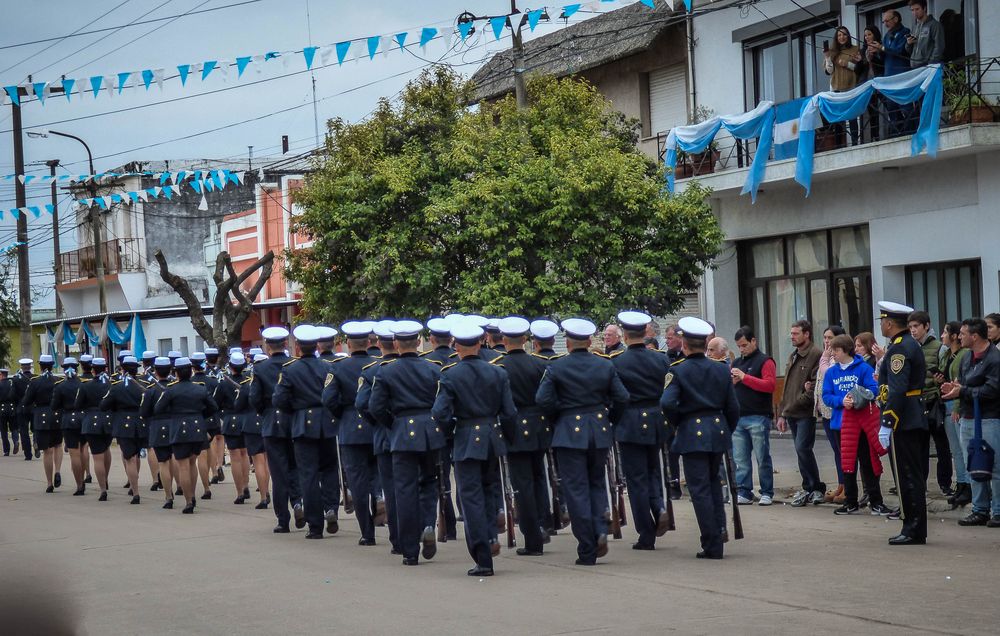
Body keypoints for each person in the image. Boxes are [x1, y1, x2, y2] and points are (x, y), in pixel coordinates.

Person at [536, 318, 630, 566]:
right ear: (589, 342)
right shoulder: (605, 365)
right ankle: (600, 528)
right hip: (598, 429)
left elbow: (542, 399)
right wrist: (609, 420)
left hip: (569, 432)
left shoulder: (556, 367)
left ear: (567, 343)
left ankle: (587, 546)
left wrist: (560, 417)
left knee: (576, 489)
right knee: (597, 483)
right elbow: (622, 397)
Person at [432, 320, 517, 576]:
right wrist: (506, 440)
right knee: (490, 492)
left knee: (471, 499)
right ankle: (491, 537)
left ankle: (483, 556)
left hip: (466, 437)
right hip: (492, 437)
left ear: (456, 346)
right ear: (480, 343)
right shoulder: (498, 372)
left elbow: (439, 413)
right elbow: (510, 413)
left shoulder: (449, 374)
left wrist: (451, 434)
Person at [660, 317, 740, 559]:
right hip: (717, 429)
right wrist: (725, 428)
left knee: (700, 490)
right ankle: (718, 533)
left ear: (684, 345)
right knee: (714, 484)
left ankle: (711, 541)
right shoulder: (720, 368)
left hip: (692, 432)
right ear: (705, 345)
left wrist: (679, 424)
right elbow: (733, 408)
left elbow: (667, 403)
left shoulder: (678, 370)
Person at [368, 320, 446, 566]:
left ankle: (409, 549)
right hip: (428, 431)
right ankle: (427, 525)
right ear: (418, 342)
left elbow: (375, 407)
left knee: (404, 490)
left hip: (402, 432)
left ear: (397, 345)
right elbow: (442, 403)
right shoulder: (433, 369)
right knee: (429, 483)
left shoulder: (386, 370)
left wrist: (394, 424)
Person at [610, 311, 673, 550]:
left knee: (636, 479)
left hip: (630, 421)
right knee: (653, 470)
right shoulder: (661, 359)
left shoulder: (616, 362)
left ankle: (646, 533)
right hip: (656, 419)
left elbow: (617, 398)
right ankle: (659, 506)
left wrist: (615, 421)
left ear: (625, 335)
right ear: (645, 333)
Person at [490, 316, 553, 555]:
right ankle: (543, 524)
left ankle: (533, 537)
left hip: (514, 427)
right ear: (526, 340)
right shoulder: (540, 364)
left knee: (522, 486)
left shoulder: (498, 367)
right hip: (538, 427)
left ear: (504, 340)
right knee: (539, 479)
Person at [275, 324, 342, 540]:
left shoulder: (290, 369)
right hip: (326, 421)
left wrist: (295, 409)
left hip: (303, 423)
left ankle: (315, 525)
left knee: (308, 475)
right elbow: (334, 396)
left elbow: (279, 400)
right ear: (316, 346)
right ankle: (331, 508)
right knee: (330, 468)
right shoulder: (327, 367)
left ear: (297, 347)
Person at [876, 301, 928, 545]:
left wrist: (888, 420)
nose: (881, 325)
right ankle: (914, 526)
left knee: (907, 475)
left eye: (882, 321)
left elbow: (897, 390)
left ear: (889, 323)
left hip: (904, 418)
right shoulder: (906, 344)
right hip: (910, 415)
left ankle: (913, 527)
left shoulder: (899, 349)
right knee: (910, 474)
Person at [324, 321, 379, 546]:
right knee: (380, 476)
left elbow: (328, 399)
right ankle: (380, 500)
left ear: (348, 344)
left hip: (349, 427)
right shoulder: (377, 365)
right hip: (375, 426)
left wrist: (342, 415)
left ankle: (367, 532)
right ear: (368, 343)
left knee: (357, 481)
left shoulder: (338, 367)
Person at [822, 334, 889, 515]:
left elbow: (874, 389)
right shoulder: (831, 372)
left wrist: (857, 396)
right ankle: (850, 501)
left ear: (845, 350)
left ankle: (876, 501)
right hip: (840, 424)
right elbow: (826, 396)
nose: (833, 354)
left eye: (835, 350)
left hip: (862, 424)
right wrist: (841, 401)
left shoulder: (864, 368)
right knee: (847, 464)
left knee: (868, 463)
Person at [943, 318, 1000, 527]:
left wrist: (963, 391)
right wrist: (954, 388)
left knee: (994, 466)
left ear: (974, 336)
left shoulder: (995, 359)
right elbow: (964, 383)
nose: (959, 336)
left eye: (963, 333)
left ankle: (998, 511)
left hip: (989, 418)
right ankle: (979, 509)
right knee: (973, 465)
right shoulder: (967, 358)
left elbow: (993, 390)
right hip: (968, 417)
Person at [250, 326, 304, 533]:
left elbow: (254, 398)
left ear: (267, 346)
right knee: (296, 467)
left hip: (272, 421)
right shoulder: (295, 365)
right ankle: (298, 502)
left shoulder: (261, 368)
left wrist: (266, 413)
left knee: (279, 472)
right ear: (285, 344)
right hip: (295, 419)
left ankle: (283, 519)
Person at [356, 322, 400, 553]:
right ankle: (422, 526)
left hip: (384, 435)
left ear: (379, 344)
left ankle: (398, 538)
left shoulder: (374, 371)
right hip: (418, 436)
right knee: (417, 485)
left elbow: (364, 404)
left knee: (392, 488)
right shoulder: (426, 366)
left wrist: (381, 423)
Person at [155, 357, 218, 514]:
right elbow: (213, 407)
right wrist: (200, 415)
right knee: (192, 463)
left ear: (176, 373)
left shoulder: (170, 390)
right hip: (197, 427)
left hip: (179, 428)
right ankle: (193, 495)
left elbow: (158, 409)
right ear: (190, 372)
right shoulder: (200, 389)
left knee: (183, 466)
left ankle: (189, 500)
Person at [777, 320, 825, 507]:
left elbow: (813, 389)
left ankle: (815, 487)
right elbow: (788, 387)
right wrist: (782, 412)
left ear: (807, 334)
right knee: (800, 450)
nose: (792, 336)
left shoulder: (815, 354)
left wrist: (791, 407)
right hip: (792, 412)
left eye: (796, 333)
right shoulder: (794, 355)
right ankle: (809, 487)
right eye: (791, 333)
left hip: (805, 412)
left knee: (803, 448)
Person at [420, 317, 458, 539]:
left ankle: (448, 524)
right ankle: (449, 524)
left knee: (440, 478)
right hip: (460, 425)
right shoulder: (458, 360)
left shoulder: (427, 362)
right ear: (451, 339)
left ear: (431, 339)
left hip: (437, 427)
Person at [908, 311, 952, 496]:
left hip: (934, 401)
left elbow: (946, 375)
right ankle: (921, 484)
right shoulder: (909, 347)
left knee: (942, 445)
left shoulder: (939, 347)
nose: (913, 331)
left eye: (916, 326)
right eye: (910, 327)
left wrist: (940, 380)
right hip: (917, 402)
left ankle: (945, 483)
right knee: (920, 447)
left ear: (926, 326)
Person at [731, 326, 776, 507]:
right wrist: (733, 381)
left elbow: (769, 385)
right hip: (739, 416)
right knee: (740, 459)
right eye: (739, 346)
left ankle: (766, 492)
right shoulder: (735, 363)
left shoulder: (765, 361)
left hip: (758, 415)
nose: (741, 349)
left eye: (744, 345)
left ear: (753, 341)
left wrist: (745, 377)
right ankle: (744, 491)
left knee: (762, 456)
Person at [100, 356, 148, 505]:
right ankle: (135, 484)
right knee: (137, 457)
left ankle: (135, 492)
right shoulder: (144, 385)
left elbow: (104, 405)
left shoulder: (117, 387)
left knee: (130, 458)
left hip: (124, 424)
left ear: (122, 369)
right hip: (140, 422)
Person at [937, 321, 971, 509]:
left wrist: (957, 406)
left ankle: (967, 485)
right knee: (955, 449)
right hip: (947, 402)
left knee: (961, 447)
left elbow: (961, 382)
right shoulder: (948, 354)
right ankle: (961, 484)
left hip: (956, 404)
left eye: (945, 332)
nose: (942, 335)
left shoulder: (964, 354)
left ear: (954, 335)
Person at [21, 354, 62, 492]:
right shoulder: (58, 380)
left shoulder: (35, 381)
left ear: (40, 366)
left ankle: (49, 483)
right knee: (57, 445)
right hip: (56, 415)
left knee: (47, 451)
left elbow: (26, 401)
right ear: (52, 365)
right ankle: (58, 470)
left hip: (41, 416)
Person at [816, 326, 846, 505]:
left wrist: (826, 358)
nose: (827, 341)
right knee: (837, 451)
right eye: (825, 337)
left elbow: (829, 374)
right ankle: (841, 484)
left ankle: (848, 487)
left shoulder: (836, 359)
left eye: (830, 338)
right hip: (826, 412)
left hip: (837, 411)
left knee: (844, 451)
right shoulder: (825, 356)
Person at [141, 357, 177, 508]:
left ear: (155, 372)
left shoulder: (151, 391)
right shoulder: (176, 387)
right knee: (176, 459)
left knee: (163, 462)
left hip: (158, 426)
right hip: (175, 425)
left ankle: (169, 496)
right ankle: (181, 485)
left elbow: (144, 412)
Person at [218, 353, 252, 505]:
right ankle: (245, 486)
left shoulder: (224, 383)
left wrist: (224, 415)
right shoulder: (249, 382)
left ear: (230, 366)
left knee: (235, 458)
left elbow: (215, 403)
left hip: (231, 419)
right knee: (245, 454)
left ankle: (239, 492)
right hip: (246, 419)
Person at [51, 357, 86, 495]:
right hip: (83, 418)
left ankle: (79, 485)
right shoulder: (83, 384)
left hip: (68, 420)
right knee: (83, 450)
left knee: (74, 454)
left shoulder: (60, 386)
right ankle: (84, 478)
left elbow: (54, 406)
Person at [79, 358, 113, 501]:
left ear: (93, 370)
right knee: (106, 450)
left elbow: (78, 403)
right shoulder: (112, 385)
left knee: (97, 457)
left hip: (92, 421)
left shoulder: (86, 386)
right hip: (109, 420)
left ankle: (103, 489)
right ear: (105, 369)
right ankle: (105, 478)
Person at [824, 26, 863, 145]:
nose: (842, 37)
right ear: (836, 37)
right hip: (836, 88)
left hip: (851, 86)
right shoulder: (832, 51)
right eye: (839, 35)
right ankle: (839, 143)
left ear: (848, 36)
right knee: (838, 117)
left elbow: (859, 68)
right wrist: (827, 58)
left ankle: (855, 141)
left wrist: (847, 64)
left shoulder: (855, 49)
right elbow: (828, 71)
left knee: (852, 116)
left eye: (844, 34)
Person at [191, 352, 220, 499]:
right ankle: (214, 470)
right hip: (211, 419)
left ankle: (206, 487)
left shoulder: (189, 382)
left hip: (196, 420)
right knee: (212, 446)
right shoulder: (213, 381)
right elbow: (216, 403)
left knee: (201, 455)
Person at [878, 9, 911, 137]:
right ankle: (896, 133)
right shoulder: (886, 36)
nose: (885, 24)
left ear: (896, 19)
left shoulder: (905, 32)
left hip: (902, 75)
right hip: (889, 77)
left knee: (905, 105)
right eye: (883, 21)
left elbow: (900, 51)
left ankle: (909, 131)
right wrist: (876, 52)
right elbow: (884, 58)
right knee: (891, 106)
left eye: (887, 20)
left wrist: (883, 48)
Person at [662, 325, 684, 500]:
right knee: (671, 453)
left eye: (670, 338)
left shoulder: (687, 358)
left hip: (685, 412)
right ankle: (673, 485)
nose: (667, 341)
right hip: (670, 414)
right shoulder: (665, 358)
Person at [861, 25, 885, 141]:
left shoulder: (880, 45)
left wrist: (876, 53)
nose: (867, 37)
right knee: (872, 112)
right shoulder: (863, 49)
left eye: (869, 34)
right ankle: (874, 136)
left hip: (880, 81)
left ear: (875, 34)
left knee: (887, 104)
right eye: (865, 35)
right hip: (868, 84)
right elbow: (859, 69)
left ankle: (895, 130)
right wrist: (862, 60)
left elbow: (884, 62)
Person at [905, 0, 945, 68]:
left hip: (928, 67)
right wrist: (909, 43)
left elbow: (939, 47)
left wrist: (931, 64)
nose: (915, 12)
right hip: (915, 67)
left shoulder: (934, 25)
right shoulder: (915, 27)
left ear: (924, 8)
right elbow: (909, 51)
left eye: (917, 9)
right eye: (912, 10)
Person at [12, 358, 36, 460]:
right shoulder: (35, 378)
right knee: (36, 429)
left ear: (21, 367)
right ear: (30, 367)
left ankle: (28, 454)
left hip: (22, 407)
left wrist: (19, 401)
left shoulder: (16, 379)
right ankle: (36, 442)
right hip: (34, 407)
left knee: (24, 431)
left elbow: (12, 395)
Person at [0, 368, 15, 456]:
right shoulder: (11, 383)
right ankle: (16, 441)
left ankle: (6, 450)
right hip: (12, 408)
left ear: (1, 374)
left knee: (3, 430)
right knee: (14, 428)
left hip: (2, 409)